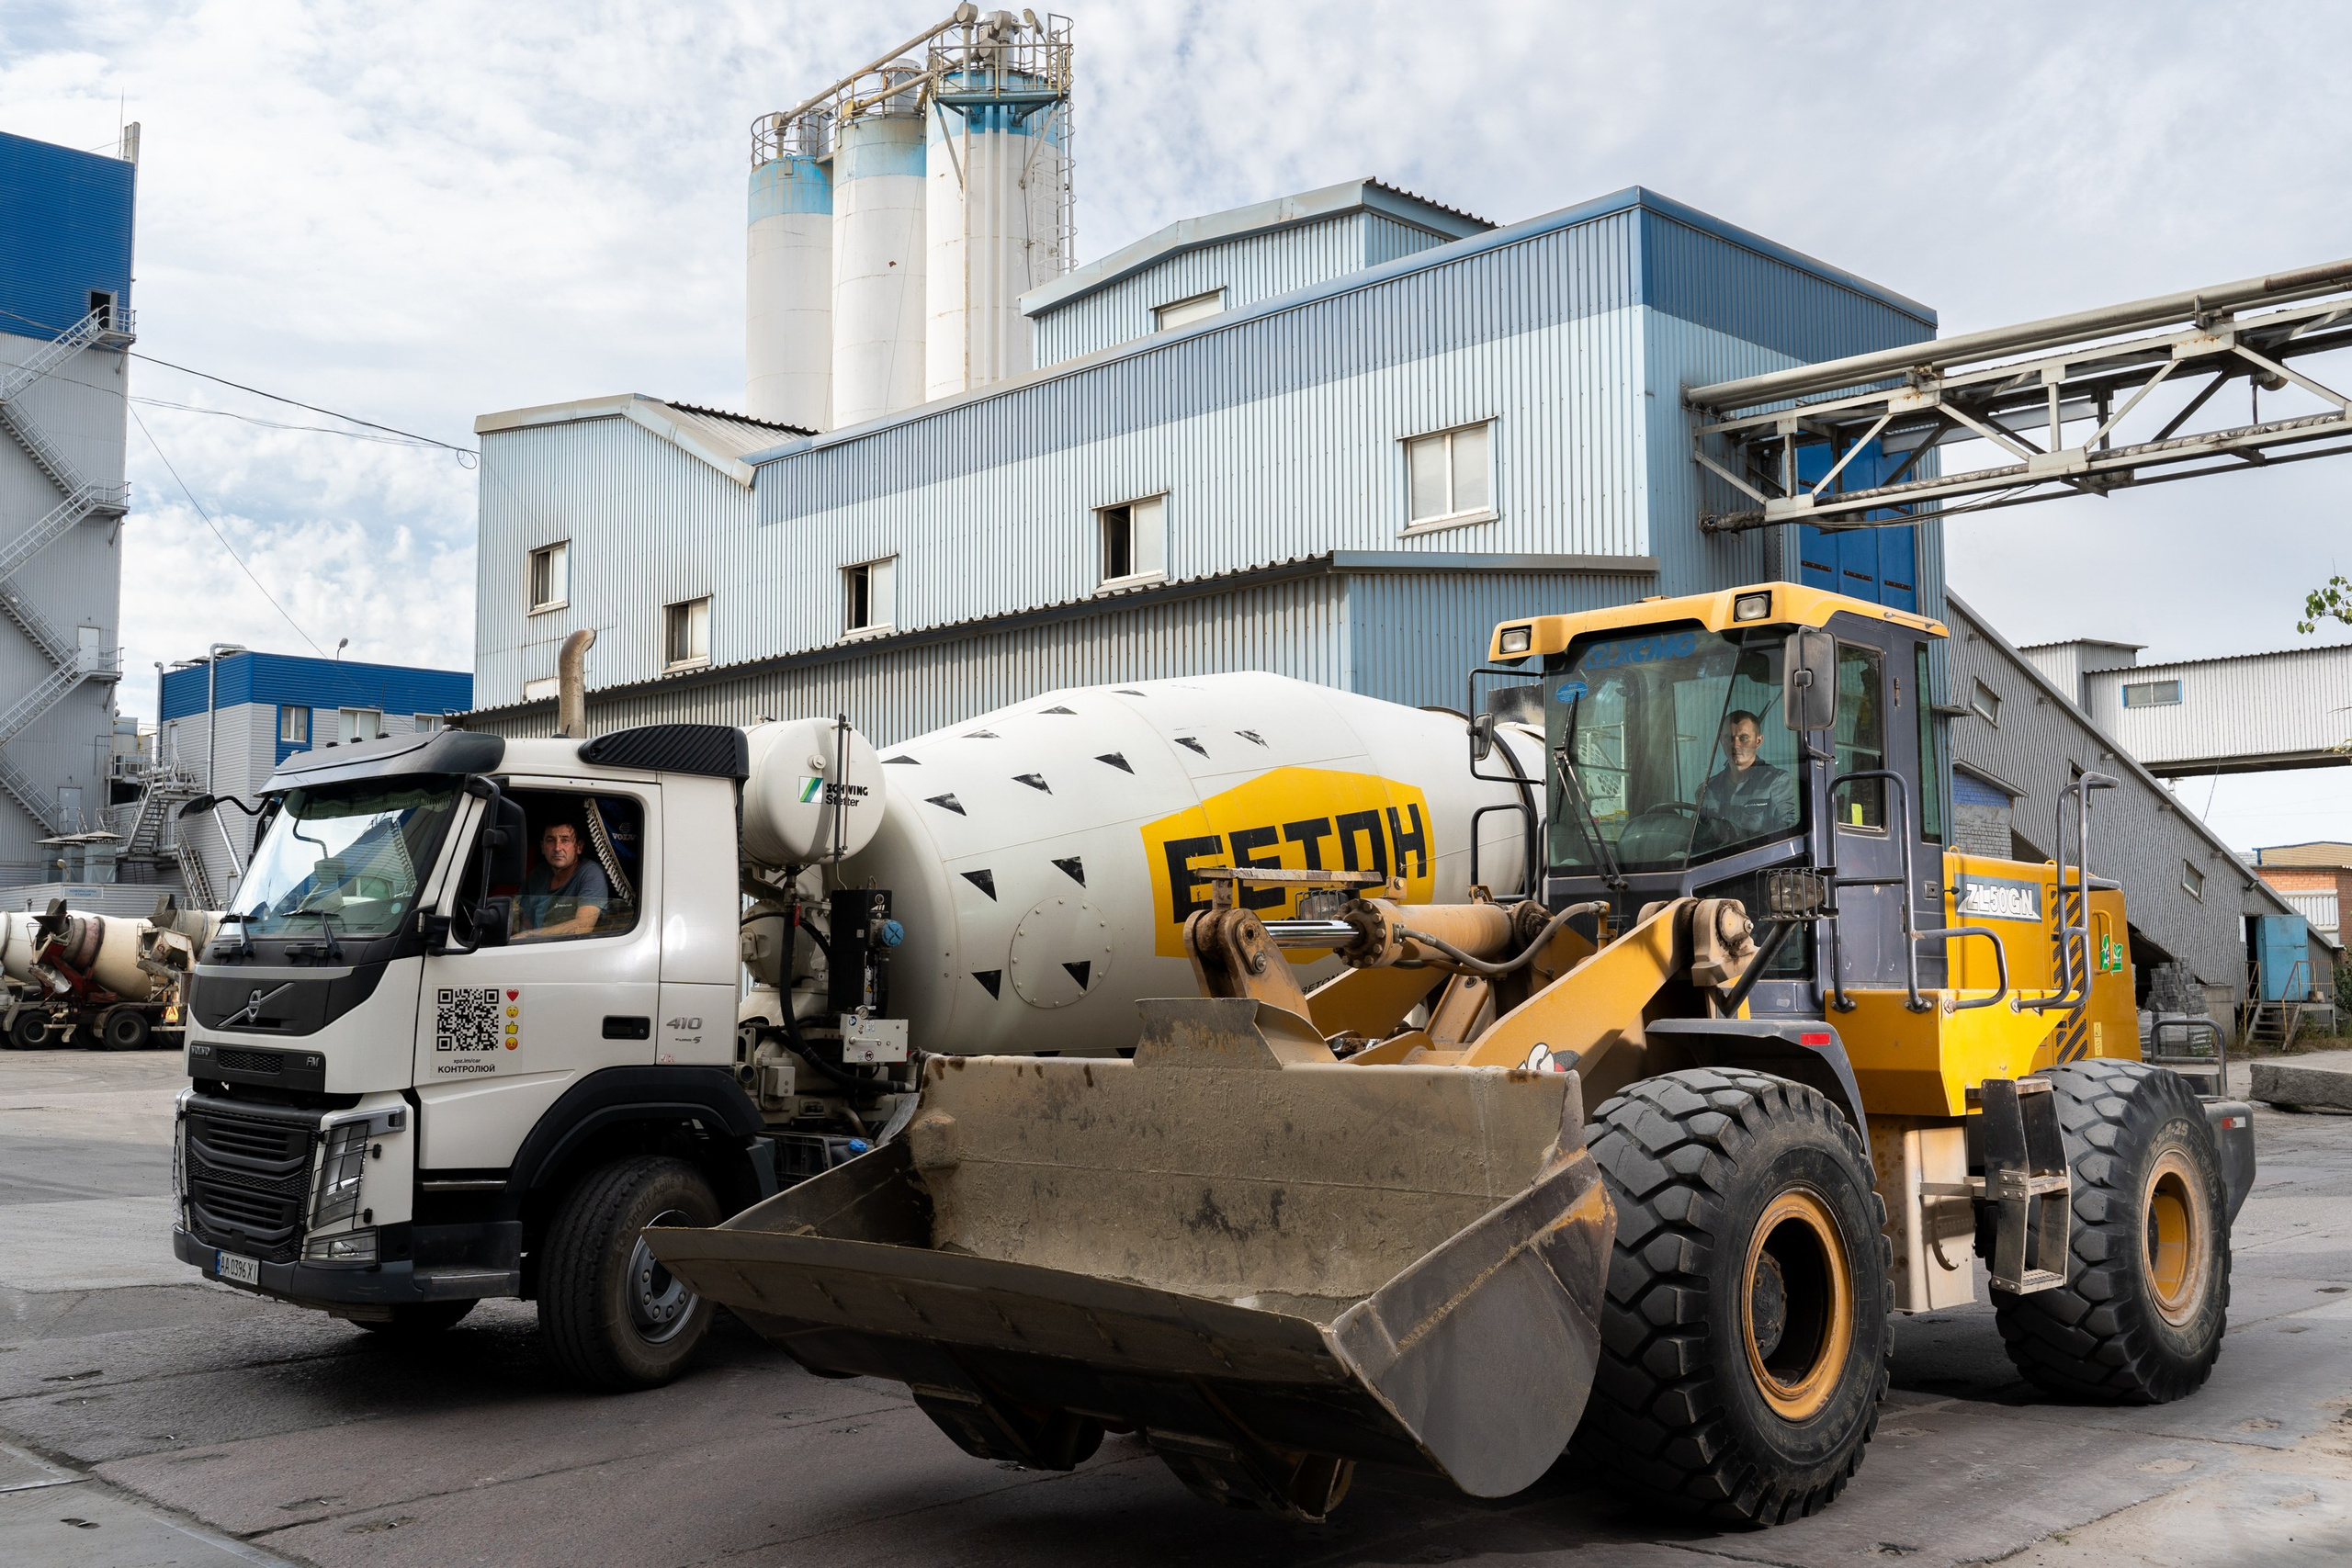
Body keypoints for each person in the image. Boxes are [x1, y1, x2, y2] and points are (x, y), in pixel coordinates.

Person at [1695, 709, 1798, 847]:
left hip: (1758, 863)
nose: (1735, 745)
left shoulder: (1777, 783)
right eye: (1729, 738)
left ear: (1758, 741)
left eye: (1743, 738)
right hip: (1715, 863)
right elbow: (1698, 836)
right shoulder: (1709, 789)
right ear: (1721, 740)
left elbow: (1789, 836)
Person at [512, 819, 608, 941]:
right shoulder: (539, 873)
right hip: (535, 950)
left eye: (565, 840)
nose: (557, 848)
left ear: (579, 847)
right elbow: (517, 914)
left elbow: (583, 926)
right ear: (542, 847)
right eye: (551, 840)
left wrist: (529, 935)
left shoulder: (591, 873)